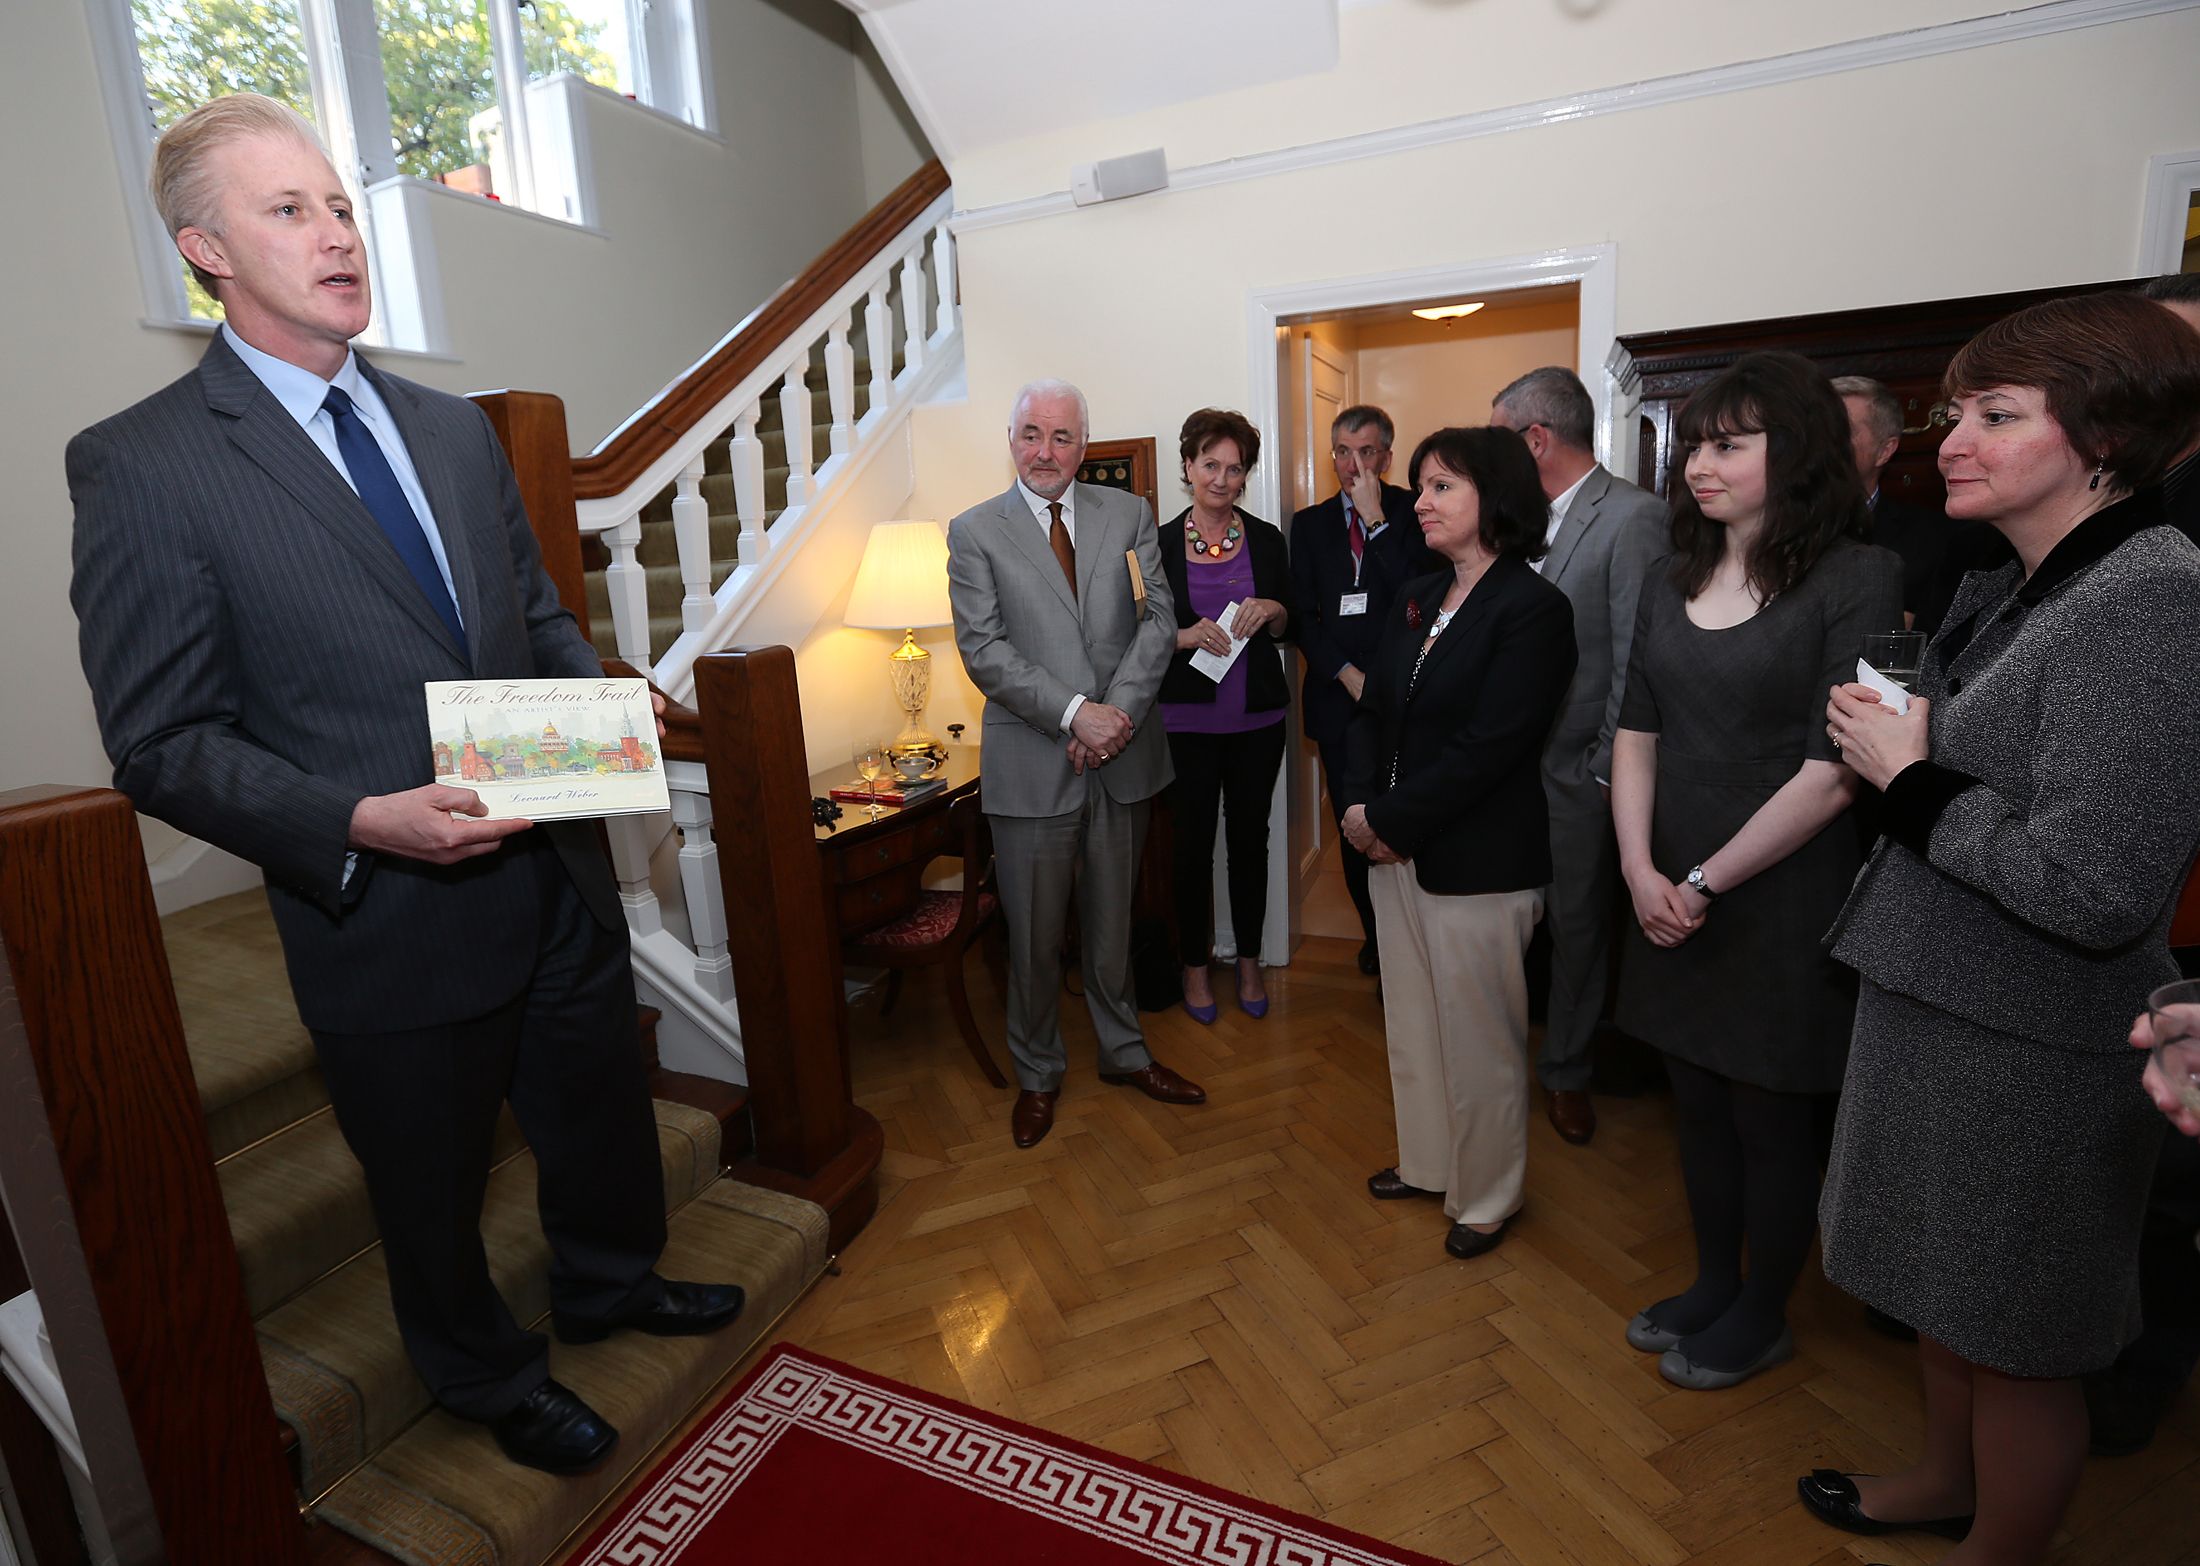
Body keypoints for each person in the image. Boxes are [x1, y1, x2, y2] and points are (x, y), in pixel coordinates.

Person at [66, 95, 741, 1478]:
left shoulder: (450, 426)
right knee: (429, 1178)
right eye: (287, 210)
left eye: (340, 204)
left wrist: (600, 710)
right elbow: (159, 739)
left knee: (597, 1097)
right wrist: (358, 820)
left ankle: (610, 1280)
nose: (335, 235)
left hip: (547, 864)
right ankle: (484, 1369)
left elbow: (534, 621)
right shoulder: (147, 464)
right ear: (206, 248)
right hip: (384, 906)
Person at [1805, 292, 2200, 1566]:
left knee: (2015, 1332)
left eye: (1996, 414)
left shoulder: (2154, 596)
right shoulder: (2030, 583)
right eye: (1953, 413)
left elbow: (2095, 887)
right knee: (1939, 1292)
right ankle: (1938, 1480)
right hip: (1945, 999)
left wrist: (1910, 780)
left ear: (2103, 438)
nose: (1952, 440)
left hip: (2031, 1038)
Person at [1611, 351, 1901, 1390]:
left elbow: (1834, 776)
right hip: (1666, 888)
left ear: (1798, 451)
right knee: (1692, 1102)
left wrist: (1699, 881)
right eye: (1693, 442)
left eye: (1728, 443)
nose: (1698, 463)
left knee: (1767, 1116)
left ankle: (1762, 1311)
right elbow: (1634, 734)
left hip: (1778, 891)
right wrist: (1639, 870)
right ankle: (1709, 1282)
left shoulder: (1857, 578)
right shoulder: (1666, 577)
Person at [945, 379, 1207, 1150]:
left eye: (1062, 437)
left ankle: (1125, 1053)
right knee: (1030, 938)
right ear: (1011, 438)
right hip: (1033, 765)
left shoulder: (1126, 514)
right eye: (1032, 434)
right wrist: (1073, 714)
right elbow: (983, 650)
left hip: (1121, 758)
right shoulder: (974, 531)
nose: (1045, 452)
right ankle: (1037, 1073)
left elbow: (1158, 620)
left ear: (1084, 447)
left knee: (1114, 924)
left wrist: (1111, 718)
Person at [1340, 427, 1575, 1260]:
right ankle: (1430, 1163)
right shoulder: (1414, 596)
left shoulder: (1534, 609)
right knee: (1412, 1022)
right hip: (1393, 851)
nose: (1423, 503)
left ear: (1496, 497)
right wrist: (1362, 806)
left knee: (1480, 1040)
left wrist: (1389, 822)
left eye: (1441, 486)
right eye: (1423, 487)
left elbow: (1493, 747)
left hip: (1478, 861)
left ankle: (1486, 1196)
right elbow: (1372, 714)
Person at [1489, 367, 1665, 1147]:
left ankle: (1566, 1072)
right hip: (1503, 774)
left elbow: (1636, 659)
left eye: (1497, 441)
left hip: (1578, 774)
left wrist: (1604, 771)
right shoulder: (1514, 520)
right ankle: (1496, 1069)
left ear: (1535, 440)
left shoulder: (1633, 518)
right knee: (1502, 925)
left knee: (1579, 928)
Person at [1289, 406, 1437, 976]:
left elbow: (1420, 600)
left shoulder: (1416, 511)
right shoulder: (1310, 524)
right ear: (1332, 458)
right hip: (1338, 698)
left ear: (1388, 457)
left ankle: (1412, 941)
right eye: (1343, 453)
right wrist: (1347, 674)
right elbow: (1304, 615)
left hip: (1407, 700)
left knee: (1404, 819)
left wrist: (1377, 525)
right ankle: (1376, 940)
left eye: (1367, 452)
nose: (1355, 465)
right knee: (1353, 824)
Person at [1156, 409, 1292, 1022]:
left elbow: (1292, 623)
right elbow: (1136, 632)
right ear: (1187, 467)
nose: (1221, 478)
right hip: (1184, 722)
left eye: (1234, 468)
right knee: (1189, 850)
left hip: (1257, 722)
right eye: (1210, 464)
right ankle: (1193, 966)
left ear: (1245, 477)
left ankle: (1249, 961)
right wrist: (1182, 637)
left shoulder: (1266, 539)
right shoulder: (1156, 543)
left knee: (1249, 843)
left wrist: (1272, 609)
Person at [1832, 374, 1955, 629]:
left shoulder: (1936, 538)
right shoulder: (1767, 528)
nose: (1821, 443)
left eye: (1840, 430)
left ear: (1885, 450)